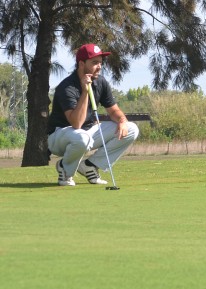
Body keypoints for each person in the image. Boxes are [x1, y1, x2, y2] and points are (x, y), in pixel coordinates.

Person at [47, 44, 139, 186]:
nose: (99, 66)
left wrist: (121, 120)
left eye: (101, 62)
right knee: (82, 138)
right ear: (81, 64)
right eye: (94, 62)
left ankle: (90, 165)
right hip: (59, 137)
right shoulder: (67, 87)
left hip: (86, 133)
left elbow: (114, 110)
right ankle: (65, 169)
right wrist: (85, 92)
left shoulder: (100, 82)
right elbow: (76, 123)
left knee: (131, 128)